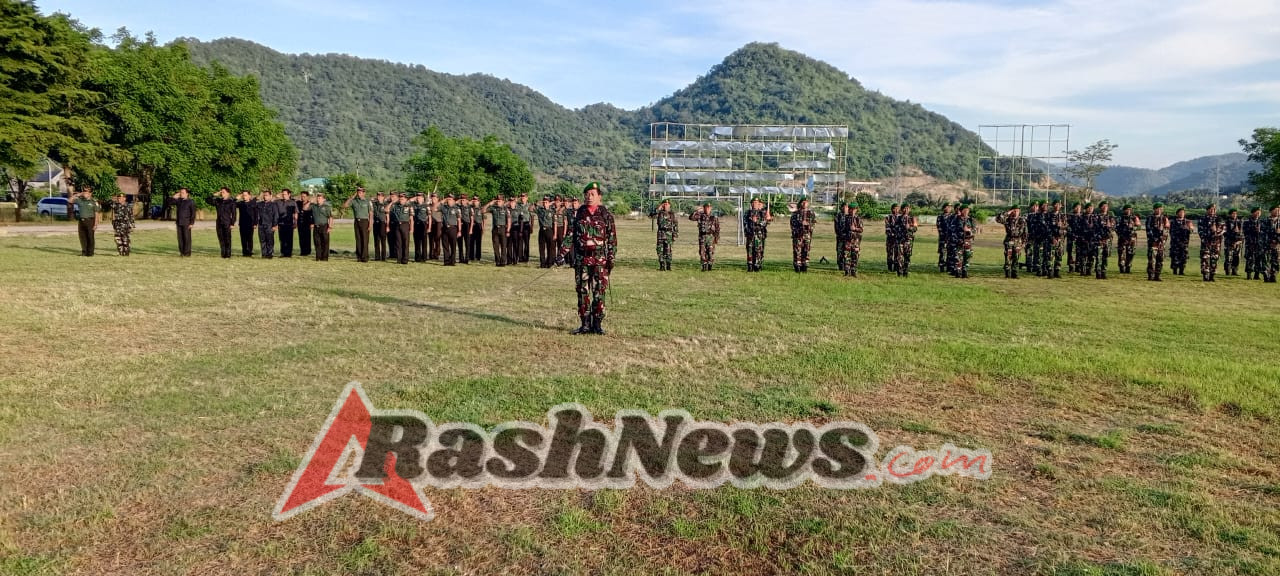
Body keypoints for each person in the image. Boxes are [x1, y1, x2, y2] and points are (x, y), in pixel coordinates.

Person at [561, 182, 617, 335]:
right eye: (587, 194)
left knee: (599, 291)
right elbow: (570, 236)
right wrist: (561, 254)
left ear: (599, 196)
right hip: (582, 260)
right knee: (582, 292)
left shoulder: (606, 215)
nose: (589, 197)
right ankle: (585, 324)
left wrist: (611, 257)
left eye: (592, 194)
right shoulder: (579, 214)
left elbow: (612, 239)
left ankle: (597, 324)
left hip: (600, 260)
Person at [996, 205, 1027, 278]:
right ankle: (1007, 273)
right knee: (1008, 257)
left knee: (1016, 257)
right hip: (1009, 239)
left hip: (1018, 241)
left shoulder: (1022, 220)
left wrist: (1024, 242)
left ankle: (1014, 272)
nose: (1016, 212)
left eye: (1017, 211)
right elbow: (998, 219)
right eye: (1014, 211)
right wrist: (1008, 212)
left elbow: (1025, 232)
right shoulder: (1007, 219)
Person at [1197, 204, 1225, 282]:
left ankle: (1212, 276)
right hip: (1206, 242)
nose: (1212, 211)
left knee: (1214, 259)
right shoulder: (1202, 219)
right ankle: (1205, 275)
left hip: (1216, 243)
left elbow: (1223, 230)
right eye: (1211, 209)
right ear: (1207, 210)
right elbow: (1200, 231)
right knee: (1205, 258)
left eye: (1214, 209)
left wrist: (1216, 231)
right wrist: (1209, 233)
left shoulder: (1219, 219)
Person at [742, 197, 771, 272]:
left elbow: (765, 223)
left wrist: (757, 221)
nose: (755, 204)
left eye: (756, 202)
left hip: (759, 235)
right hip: (750, 235)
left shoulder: (762, 213)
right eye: (754, 202)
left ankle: (757, 265)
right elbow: (745, 223)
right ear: (751, 204)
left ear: (759, 204)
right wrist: (748, 231)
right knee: (750, 251)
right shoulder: (747, 213)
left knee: (758, 250)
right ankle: (750, 265)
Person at [345, 187, 372, 262]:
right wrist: (351, 197)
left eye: (360, 192)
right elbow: (345, 205)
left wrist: (370, 224)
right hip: (357, 221)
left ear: (364, 193)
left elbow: (371, 213)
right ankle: (359, 257)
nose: (359, 194)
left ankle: (365, 257)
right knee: (358, 239)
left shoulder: (367, 202)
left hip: (365, 221)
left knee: (365, 239)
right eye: (358, 192)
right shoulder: (354, 201)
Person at [690, 202, 719, 271]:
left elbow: (717, 228)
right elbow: (691, 217)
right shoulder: (700, 216)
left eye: (709, 208)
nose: (707, 209)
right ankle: (704, 266)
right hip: (702, 236)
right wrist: (697, 211)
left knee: (710, 252)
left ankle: (710, 265)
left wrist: (716, 238)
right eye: (706, 207)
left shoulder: (714, 217)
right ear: (704, 208)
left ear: (711, 208)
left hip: (711, 236)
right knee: (702, 252)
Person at [790, 196, 817, 273]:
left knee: (806, 250)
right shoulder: (795, 214)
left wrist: (808, 224)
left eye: (806, 202)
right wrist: (799, 226)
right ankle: (797, 265)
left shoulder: (811, 213)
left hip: (807, 235)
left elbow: (813, 224)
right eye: (803, 202)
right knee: (797, 251)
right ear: (800, 203)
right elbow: (792, 225)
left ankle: (805, 265)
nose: (805, 203)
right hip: (798, 235)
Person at [1091, 201, 1116, 279]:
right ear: (1100, 207)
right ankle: (1098, 273)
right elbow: (1095, 228)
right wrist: (1105, 227)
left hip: (1107, 240)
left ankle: (1104, 272)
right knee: (1099, 257)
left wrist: (1109, 227)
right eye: (1104, 206)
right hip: (1099, 240)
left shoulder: (1110, 217)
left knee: (1105, 256)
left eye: (1106, 206)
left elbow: (1113, 227)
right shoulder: (1096, 217)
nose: (1105, 207)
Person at [1043, 200, 1068, 278]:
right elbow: (1046, 228)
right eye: (1056, 204)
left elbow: (1067, 228)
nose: (1057, 206)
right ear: (1053, 206)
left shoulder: (1063, 216)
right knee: (1050, 256)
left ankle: (1057, 271)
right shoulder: (1048, 215)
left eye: (1059, 205)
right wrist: (1052, 238)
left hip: (1060, 239)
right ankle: (1050, 271)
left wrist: (1062, 230)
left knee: (1059, 255)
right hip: (1052, 239)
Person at [1145, 203, 1170, 281]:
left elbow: (1166, 230)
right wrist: (1155, 239)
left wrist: (1162, 240)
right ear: (1154, 209)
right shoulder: (1150, 218)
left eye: (1160, 209)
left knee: (1160, 259)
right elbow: (1148, 230)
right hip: (1153, 242)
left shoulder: (1164, 218)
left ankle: (1157, 275)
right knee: (1152, 260)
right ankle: (1150, 275)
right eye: (1157, 208)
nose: (1159, 210)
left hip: (1161, 243)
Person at [72, 186, 99, 256]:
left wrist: (95, 224)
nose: (85, 193)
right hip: (81, 221)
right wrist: (78, 194)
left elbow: (96, 214)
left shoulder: (94, 202)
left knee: (90, 237)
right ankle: (84, 252)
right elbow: (69, 200)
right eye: (84, 191)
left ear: (90, 193)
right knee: (82, 237)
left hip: (90, 221)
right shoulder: (80, 200)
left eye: (87, 191)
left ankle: (90, 253)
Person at [1115, 204, 1141, 274]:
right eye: (1127, 209)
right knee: (1122, 254)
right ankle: (1121, 268)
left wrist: (1136, 224)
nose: (1129, 211)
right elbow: (1117, 229)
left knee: (1131, 253)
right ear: (1124, 210)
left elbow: (1139, 227)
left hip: (1132, 239)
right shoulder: (1120, 218)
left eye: (1130, 209)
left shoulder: (1134, 218)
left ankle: (1128, 268)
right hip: (1122, 239)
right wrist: (1122, 236)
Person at [486, 195, 511, 266]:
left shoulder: (506, 209)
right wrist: (490, 203)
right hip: (495, 229)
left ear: (503, 202)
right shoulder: (493, 208)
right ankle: (497, 261)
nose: (498, 202)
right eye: (497, 201)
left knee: (503, 246)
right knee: (495, 246)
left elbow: (509, 220)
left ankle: (503, 262)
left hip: (503, 228)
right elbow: (482, 210)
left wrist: (508, 230)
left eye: (499, 201)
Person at [211, 187, 237, 258]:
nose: (222, 193)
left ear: (228, 193)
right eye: (221, 192)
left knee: (227, 239)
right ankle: (223, 254)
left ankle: (228, 254)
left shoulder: (231, 202)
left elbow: (234, 214)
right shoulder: (218, 201)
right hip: (219, 222)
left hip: (227, 222)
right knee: (221, 239)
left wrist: (232, 223)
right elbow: (208, 200)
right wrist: (214, 195)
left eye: (223, 192)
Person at [840, 202, 864, 277]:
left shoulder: (858, 219)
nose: (852, 211)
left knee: (855, 256)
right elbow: (842, 229)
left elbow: (861, 229)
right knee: (846, 256)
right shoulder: (845, 218)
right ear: (849, 210)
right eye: (851, 209)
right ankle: (847, 271)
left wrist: (855, 228)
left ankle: (854, 271)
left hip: (856, 241)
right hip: (847, 240)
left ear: (856, 210)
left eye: (854, 209)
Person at [952, 204, 976, 278]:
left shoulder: (971, 220)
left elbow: (975, 230)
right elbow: (952, 230)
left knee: (967, 257)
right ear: (961, 211)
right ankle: (958, 272)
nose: (966, 211)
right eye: (964, 210)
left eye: (967, 210)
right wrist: (961, 232)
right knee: (958, 258)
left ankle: (965, 271)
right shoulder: (956, 219)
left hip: (968, 242)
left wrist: (969, 231)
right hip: (959, 242)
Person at [1169, 207, 1194, 275]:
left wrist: (1190, 228)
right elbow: (1170, 232)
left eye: (1183, 212)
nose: (1182, 214)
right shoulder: (1173, 222)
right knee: (1175, 256)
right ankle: (1175, 270)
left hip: (1184, 243)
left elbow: (1191, 230)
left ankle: (1181, 270)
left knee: (1183, 257)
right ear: (1177, 214)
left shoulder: (1187, 222)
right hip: (1175, 243)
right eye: (1180, 212)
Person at [390, 192, 413, 265]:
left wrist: (412, 229)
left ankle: (405, 259)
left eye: (402, 199)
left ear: (406, 199)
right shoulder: (395, 206)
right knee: (398, 243)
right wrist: (392, 202)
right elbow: (386, 210)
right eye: (400, 198)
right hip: (397, 225)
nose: (401, 200)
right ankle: (399, 259)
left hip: (405, 225)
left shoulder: (409, 206)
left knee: (405, 243)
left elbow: (411, 219)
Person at [257, 190, 280, 259]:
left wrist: (274, 225)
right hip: (261, 224)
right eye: (264, 195)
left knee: (269, 240)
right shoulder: (260, 204)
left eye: (266, 195)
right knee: (262, 240)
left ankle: (270, 254)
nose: (265, 196)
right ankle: (264, 254)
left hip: (269, 225)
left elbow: (276, 215)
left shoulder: (273, 205)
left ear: (270, 196)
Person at [173, 187, 196, 257]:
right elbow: (169, 203)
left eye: (183, 193)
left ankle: (187, 253)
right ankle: (182, 252)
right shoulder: (179, 201)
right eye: (180, 192)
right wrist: (173, 197)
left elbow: (193, 213)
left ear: (187, 194)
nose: (181, 194)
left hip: (187, 223)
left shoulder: (191, 202)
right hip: (179, 222)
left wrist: (192, 223)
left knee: (187, 238)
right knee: (180, 238)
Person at [1244, 206, 1265, 280]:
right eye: (1257, 212)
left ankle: (1257, 274)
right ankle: (1249, 274)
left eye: (1259, 212)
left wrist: (1260, 231)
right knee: (1250, 259)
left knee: (1258, 259)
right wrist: (1253, 229)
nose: (1258, 213)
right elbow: (1245, 232)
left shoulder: (1262, 222)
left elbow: (1265, 232)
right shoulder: (1247, 222)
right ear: (1253, 213)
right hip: (1250, 243)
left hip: (1259, 243)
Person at [536, 195, 557, 268]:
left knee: (549, 247)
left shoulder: (552, 211)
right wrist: (539, 202)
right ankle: (542, 263)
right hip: (542, 230)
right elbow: (532, 207)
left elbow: (555, 223)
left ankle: (549, 262)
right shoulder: (540, 210)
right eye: (544, 202)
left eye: (546, 202)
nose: (545, 204)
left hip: (549, 230)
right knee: (541, 248)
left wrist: (555, 234)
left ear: (549, 203)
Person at [311, 192, 332, 261]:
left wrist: (330, 227)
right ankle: (318, 257)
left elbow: (330, 217)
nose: (318, 199)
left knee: (325, 242)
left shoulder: (326, 207)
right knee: (317, 242)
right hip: (316, 226)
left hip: (324, 226)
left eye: (320, 198)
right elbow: (306, 209)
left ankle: (325, 257)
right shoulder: (314, 206)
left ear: (324, 199)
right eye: (317, 198)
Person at [898, 204, 918, 276]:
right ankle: (900, 271)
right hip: (900, 240)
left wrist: (909, 228)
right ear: (902, 209)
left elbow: (915, 228)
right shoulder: (898, 218)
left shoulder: (912, 218)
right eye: (904, 208)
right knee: (900, 256)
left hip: (908, 240)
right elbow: (895, 227)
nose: (906, 210)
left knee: (907, 256)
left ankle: (905, 270)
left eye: (907, 208)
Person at [441, 194, 461, 266]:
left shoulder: (456, 209)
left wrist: (459, 231)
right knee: (445, 245)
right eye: (448, 199)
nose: (448, 201)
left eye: (450, 199)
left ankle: (452, 261)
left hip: (453, 228)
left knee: (453, 245)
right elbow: (435, 208)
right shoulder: (444, 208)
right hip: (445, 228)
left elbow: (459, 220)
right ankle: (446, 261)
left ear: (453, 200)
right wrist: (444, 200)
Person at [236, 190, 257, 257]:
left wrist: (255, 223)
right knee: (243, 238)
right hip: (242, 224)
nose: (244, 197)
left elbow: (256, 214)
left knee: (249, 238)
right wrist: (236, 198)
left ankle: (250, 251)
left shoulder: (253, 203)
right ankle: (244, 252)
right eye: (243, 195)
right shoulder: (240, 203)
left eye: (245, 195)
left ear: (249, 196)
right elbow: (232, 203)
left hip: (250, 224)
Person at [1223, 208, 1243, 276]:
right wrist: (1233, 232)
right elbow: (1225, 233)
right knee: (1229, 257)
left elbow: (1242, 233)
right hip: (1229, 242)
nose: (1234, 215)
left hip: (1238, 242)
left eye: (1236, 213)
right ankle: (1227, 270)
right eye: (1233, 213)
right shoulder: (1227, 222)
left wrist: (1239, 239)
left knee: (1237, 257)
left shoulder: (1239, 222)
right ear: (1230, 214)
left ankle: (1235, 270)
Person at [278, 189, 297, 257]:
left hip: (289, 224)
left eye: (285, 194)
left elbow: (295, 213)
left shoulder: (293, 202)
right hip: (281, 223)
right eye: (282, 194)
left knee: (289, 239)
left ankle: (288, 253)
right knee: (282, 239)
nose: (283, 195)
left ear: (289, 194)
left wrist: (295, 222)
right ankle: (283, 252)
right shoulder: (278, 202)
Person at [371, 191, 389, 261]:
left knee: (383, 241)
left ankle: (383, 257)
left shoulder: (385, 204)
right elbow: (370, 200)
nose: (379, 197)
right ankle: (377, 257)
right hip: (376, 223)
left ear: (383, 197)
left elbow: (387, 216)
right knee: (376, 240)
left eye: (381, 196)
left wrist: (387, 226)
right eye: (378, 196)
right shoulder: (374, 204)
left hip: (382, 223)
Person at [412, 193, 430, 262]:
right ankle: (417, 258)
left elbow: (429, 217)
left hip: (423, 224)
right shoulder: (414, 205)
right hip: (416, 224)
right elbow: (408, 202)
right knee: (417, 242)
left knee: (424, 242)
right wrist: (414, 198)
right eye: (417, 197)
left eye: (419, 197)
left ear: (423, 198)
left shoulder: (426, 206)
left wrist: (429, 227)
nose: (418, 198)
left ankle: (424, 257)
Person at [1066, 202, 1083, 273]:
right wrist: (1072, 234)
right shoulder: (1070, 216)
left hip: (1080, 238)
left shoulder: (1082, 217)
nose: (1078, 208)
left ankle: (1078, 266)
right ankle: (1071, 267)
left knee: (1079, 252)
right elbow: (1067, 226)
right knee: (1071, 252)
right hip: (1071, 238)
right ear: (1074, 208)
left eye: (1079, 207)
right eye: (1076, 207)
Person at [937, 203, 953, 272]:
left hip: (951, 238)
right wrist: (944, 236)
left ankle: (949, 267)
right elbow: (939, 227)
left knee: (950, 252)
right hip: (943, 238)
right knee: (943, 252)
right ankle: (942, 266)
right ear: (944, 208)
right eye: (947, 207)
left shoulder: (953, 216)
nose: (949, 208)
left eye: (950, 207)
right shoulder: (940, 217)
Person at [1265, 206, 1280, 283]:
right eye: (1276, 210)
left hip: (1277, 245)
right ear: (1271, 211)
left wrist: (1277, 239)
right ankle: (1267, 276)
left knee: (1276, 261)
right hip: (1268, 244)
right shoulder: (1265, 221)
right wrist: (1270, 241)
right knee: (1267, 261)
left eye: (1279, 210)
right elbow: (1263, 233)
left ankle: (1273, 276)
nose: (1278, 212)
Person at [296, 191, 314, 257]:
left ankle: (307, 251)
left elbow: (313, 214)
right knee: (301, 237)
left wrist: (312, 223)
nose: (302, 198)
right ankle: (302, 251)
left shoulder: (311, 205)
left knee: (307, 237)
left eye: (304, 196)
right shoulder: (298, 203)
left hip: (307, 223)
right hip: (300, 223)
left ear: (307, 197)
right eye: (301, 196)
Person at [885, 203, 901, 272]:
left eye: (897, 208)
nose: (896, 210)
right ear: (892, 209)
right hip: (890, 238)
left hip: (898, 239)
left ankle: (896, 267)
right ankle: (889, 267)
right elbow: (887, 227)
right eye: (895, 208)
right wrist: (892, 234)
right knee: (890, 253)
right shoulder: (888, 217)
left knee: (897, 253)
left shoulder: (900, 217)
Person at [834, 202, 849, 272]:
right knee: (840, 251)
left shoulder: (849, 216)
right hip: (840, 237)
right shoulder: (838, 215)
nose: (846, 208)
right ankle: (840, 265)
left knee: (847, 252)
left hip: (848, 238)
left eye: (847, 207)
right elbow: (836, 227)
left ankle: (846, 265)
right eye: (845, 207)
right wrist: (840, 234)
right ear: (842, 207)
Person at [457, 194, 472, 264]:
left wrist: (471, 229)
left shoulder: (469, 208)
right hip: (460, 225)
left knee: (467, 243)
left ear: (466, 200)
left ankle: (467, 258)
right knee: (460, 242)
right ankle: (461, 258)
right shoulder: (457, 207)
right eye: (461, 200)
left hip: (467, 225)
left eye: (464, 200)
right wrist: (459, 200)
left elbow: (472, 219)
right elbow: (455, 202)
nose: (462, 201)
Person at [429, 193, 444, 260]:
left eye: (435, 198)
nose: (433, 199)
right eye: (432, 198)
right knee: (431, 239)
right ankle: (431, 254)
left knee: (437, 239)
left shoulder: (441, 206)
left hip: (439, 223)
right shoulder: (429, 206)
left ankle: (436, 254)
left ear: (438, 198)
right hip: (431, 223)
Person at [469, 195, 484, 263]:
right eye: (474, 200)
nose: (475, 202)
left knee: (478, 242)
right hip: (471, 226)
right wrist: (470, 202)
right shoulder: (470, 208)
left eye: (476, 200)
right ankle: (471, 256)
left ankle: (478, 256)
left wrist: (483, 228)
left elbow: (484, 220)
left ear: (479, 201)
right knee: (471, 242)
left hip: (479, 226)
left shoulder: (481, 209)